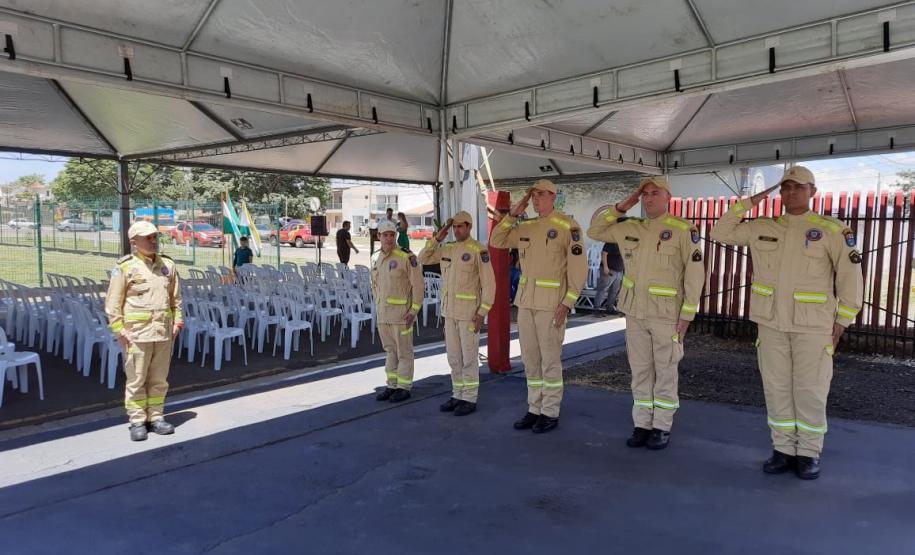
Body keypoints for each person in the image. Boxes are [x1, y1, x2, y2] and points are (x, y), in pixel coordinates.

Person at [709, 166, 863, 479]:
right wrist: (750, 201)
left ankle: (808, 453)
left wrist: (844, 319)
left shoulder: (832, 230)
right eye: (786, 187)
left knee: (810, 390)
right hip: (771, 322)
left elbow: (850, 278)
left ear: (812, 192)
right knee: (776, 387)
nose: (791, 192)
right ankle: (782, 450)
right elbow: (719, 232)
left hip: (813, 325)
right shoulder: (764, 226)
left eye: (798, 187)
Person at [587, 175, 705, 450]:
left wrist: (687, 315)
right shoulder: (630, 227)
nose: (649, 198)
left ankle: (661, 426)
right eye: (645, 194)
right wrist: (622, 206)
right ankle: (642, 423)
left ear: (668, 198)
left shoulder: (683, 229)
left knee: (665, 370)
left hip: (666, 314)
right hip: (634, 311)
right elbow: (594, 230)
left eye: (655, 193)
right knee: (640, 370)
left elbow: (695, 274)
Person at [489, 179, 588, 434]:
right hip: (526, 303)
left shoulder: (568, 226)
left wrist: (567, 303)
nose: (535, 199)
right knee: (530, 359)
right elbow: (498, 239)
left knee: (550, 360)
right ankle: (534, 408)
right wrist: (512, 213)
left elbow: (578, 269)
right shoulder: (527, 226)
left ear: (553, 196)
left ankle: (550, 412)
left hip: (551, 305)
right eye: (533, 195)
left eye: (541, 195)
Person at [105, 221, 184, 442]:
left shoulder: (167, 265)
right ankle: (138, 420)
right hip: (136, 335)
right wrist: (120, 331)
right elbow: (113, 304)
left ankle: (156, 417)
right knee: (137, 379)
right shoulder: (124, 267)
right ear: (134, 242)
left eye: (154, 237)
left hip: (163, 333)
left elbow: (175, 299)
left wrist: (177, 323)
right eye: (147, 238)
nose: (153, 241)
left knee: (159, 379)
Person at [418, 211, 496, 416]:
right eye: (455, 226)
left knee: (469, 357)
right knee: (454, 357)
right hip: (450, 312)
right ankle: (457, 394)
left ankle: (469, 398)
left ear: (469, 227)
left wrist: (482, 312)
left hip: (469, 313)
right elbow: (423, 258)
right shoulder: (447, 248)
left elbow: (489, 284)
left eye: (461, 226)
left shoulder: (478, 250)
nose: (457, 229)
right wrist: (438, 236)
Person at [372, 219, 424, 402]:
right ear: (378, 236)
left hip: (402, 315)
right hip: (384, 315)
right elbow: (375, 285)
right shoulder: (376, 257)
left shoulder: (406, 257)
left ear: (396, 236)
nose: (388, 238)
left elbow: (418, 286)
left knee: (404, 352)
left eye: (391, 235)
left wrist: (413, 311)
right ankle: (392, 385)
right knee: (390, 351)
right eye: (385, 235)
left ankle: (404, 387)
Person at [593, 240, 624, 316]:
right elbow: (604, 253)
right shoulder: (611, 241)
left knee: (614, 291)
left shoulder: (624, 243)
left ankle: (609, 308)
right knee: (602, 289)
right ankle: (596, 309)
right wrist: (605, 267)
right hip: (609, 270)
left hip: (619, 271)